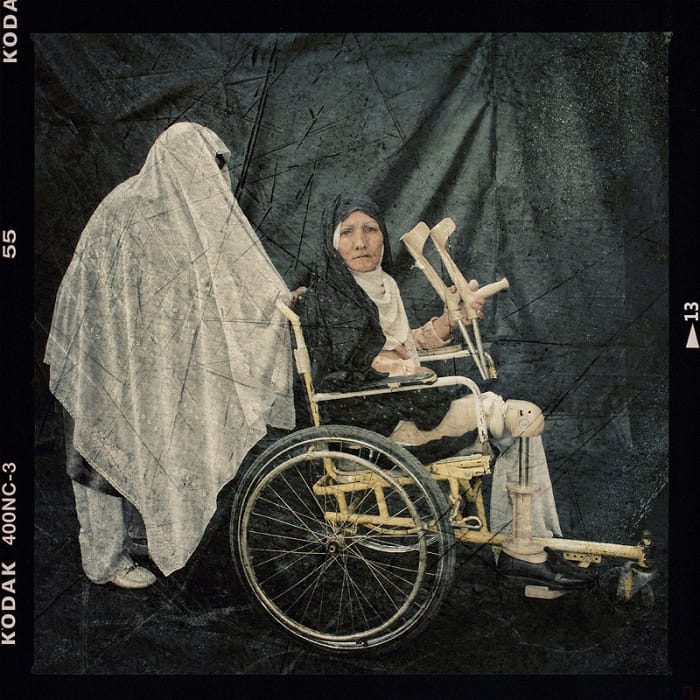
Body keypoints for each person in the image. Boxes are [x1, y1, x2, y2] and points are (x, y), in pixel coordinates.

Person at [45, 122, 299, 588]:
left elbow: (223, 278)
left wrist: (272, 303)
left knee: (148, 442)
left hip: (145, 356)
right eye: (207, 169)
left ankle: (138, 536)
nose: (215, 182)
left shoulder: (188, 214)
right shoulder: (125, 208)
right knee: (97, 454)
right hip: (97, 352)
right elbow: (100, 294)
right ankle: (103, 560)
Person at [300, 193, 592, 590]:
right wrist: (405, 369)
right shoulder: (331, 295)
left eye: (370, 229)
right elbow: (369, 362)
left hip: (399, 409)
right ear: (332, 241)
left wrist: (448, 321)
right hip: (380, 430)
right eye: (348, 232)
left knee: (519, 423)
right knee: (523, 418)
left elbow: (404, 344)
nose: (361, 242)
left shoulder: (380, 284)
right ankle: (523, 551)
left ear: (383, 236)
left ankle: (528, 544)